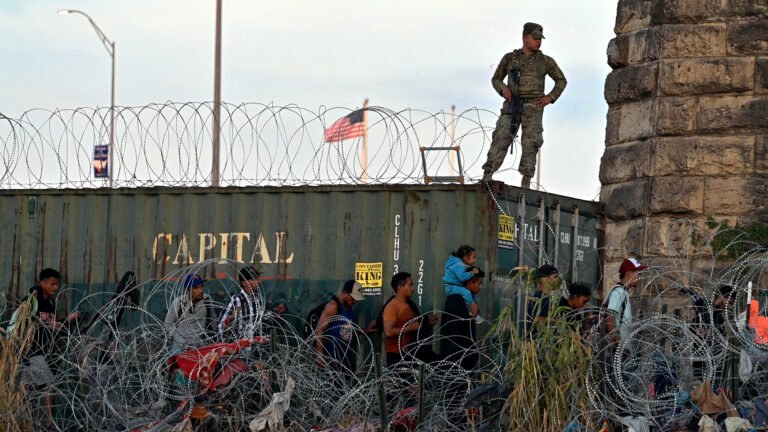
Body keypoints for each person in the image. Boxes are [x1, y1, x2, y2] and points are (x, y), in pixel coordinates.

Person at [482, 22, 567, 188]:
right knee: (501, 136)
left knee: (531, 142)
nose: (538, 41)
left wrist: (550, 97)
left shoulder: (545, 61)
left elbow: (561, 80)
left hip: (533, 107)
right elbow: (496, 79)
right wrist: (503, 89)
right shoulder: (510, 58)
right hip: (512, 104)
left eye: (540, 38)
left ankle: (526, 179)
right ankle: (488, 173)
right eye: (535, 38)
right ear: (525, 38)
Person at [9, 268, 81, 431]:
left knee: (25, 386)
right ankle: (49, 423)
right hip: (31, 350)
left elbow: (52, 325)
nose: (56, 288)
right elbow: (22, 323)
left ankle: (12, 418)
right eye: (52, 284)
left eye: (57, 284)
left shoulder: (49, 302)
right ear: (42, 283)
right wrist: (46, 325)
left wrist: (67, 320)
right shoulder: (31, 300)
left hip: (42, 350)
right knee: (49, 383)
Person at [381, 272, 439, 367]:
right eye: (410, 285)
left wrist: (426, 323)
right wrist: (410, 328)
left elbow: (413, 325)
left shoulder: (409, 305)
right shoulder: (392, 306)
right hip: (397, 356)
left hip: (410, 353)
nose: (413, 288)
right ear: (400, 287)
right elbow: (388, 331)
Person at [218, 266, 283, 343]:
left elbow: (260, 320)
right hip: (242, 351)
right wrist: (228, 347)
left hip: (256, 349)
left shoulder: (257, 298)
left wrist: (275, 312)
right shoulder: (237, 300)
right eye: (254, 279)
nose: (258, 281)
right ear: (244, 283)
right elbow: (221, 325)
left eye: (258, 278)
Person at [314, 280, 367, 373]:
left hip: (345, 358)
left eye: (357, 299)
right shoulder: (333, 306)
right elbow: (319, 330)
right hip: (331, 359)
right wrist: (320, 355)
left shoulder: (349, 307)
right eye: (353, 298)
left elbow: (347, 327)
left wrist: (365, 331)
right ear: (345, 293)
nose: (355, 301)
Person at [440, 269, 485, 371]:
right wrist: (473, 316)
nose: (480, 287)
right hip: (456, 359)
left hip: (464, 356)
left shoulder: (467, 299)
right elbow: (456, 330)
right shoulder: (456, 300)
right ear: (469, 283)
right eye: (479, 283)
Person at [164, 274, 219, 351]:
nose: (200, 290)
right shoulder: (179, 303)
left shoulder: (207, 299)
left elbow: (213, 319)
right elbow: (168, 324)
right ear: (187, 291)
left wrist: (215, 339)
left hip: (199, 345)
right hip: (180, 346)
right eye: (196, 288)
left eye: (201, 286)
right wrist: (183, 343)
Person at [443, 245, 481, 316]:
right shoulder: (459, 264)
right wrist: (472, 273)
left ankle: (472, 307)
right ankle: (471, 311)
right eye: (473, 257)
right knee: (467, 293)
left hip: (454, 286)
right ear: (465, 257)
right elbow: (462, 277)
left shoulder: (459, 264)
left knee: (470, 293)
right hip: (451, 287)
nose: (474, 260)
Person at [525, 264, 560, 331]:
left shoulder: (542, 297)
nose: (557, 281)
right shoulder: (541, 298)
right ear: (545, 279)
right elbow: (541, 327)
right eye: (555, 277)